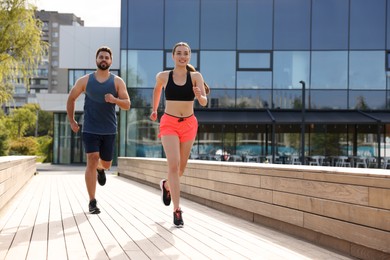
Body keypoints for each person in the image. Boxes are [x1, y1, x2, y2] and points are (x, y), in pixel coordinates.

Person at [150, 42, 209, 227]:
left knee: (181, 169)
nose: (182, 56)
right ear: (173, 56)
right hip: (169, 123)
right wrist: (154, 109)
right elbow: (157, 90)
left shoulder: (196, 76)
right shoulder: (163, 76)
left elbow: (204, 102)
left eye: (186, 53)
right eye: (179, 53)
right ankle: (177, 210)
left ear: (189, 56)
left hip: (189, 124)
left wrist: (199, 96)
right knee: (174, 166)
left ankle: (166, 185)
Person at [67, 46, 131, 214]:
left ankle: (101, 170)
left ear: (111, 61)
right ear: (96, 60)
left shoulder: (117, 81)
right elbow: (71, 98)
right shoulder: (85, 81)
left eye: (106, 57)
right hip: (90, 128)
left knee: (106, 163)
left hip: (109, 129)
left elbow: (127, 104)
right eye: (101, 57)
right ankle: (92, 201)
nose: (103, 59)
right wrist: (72, 120)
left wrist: (114, 99)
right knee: (92, 160)